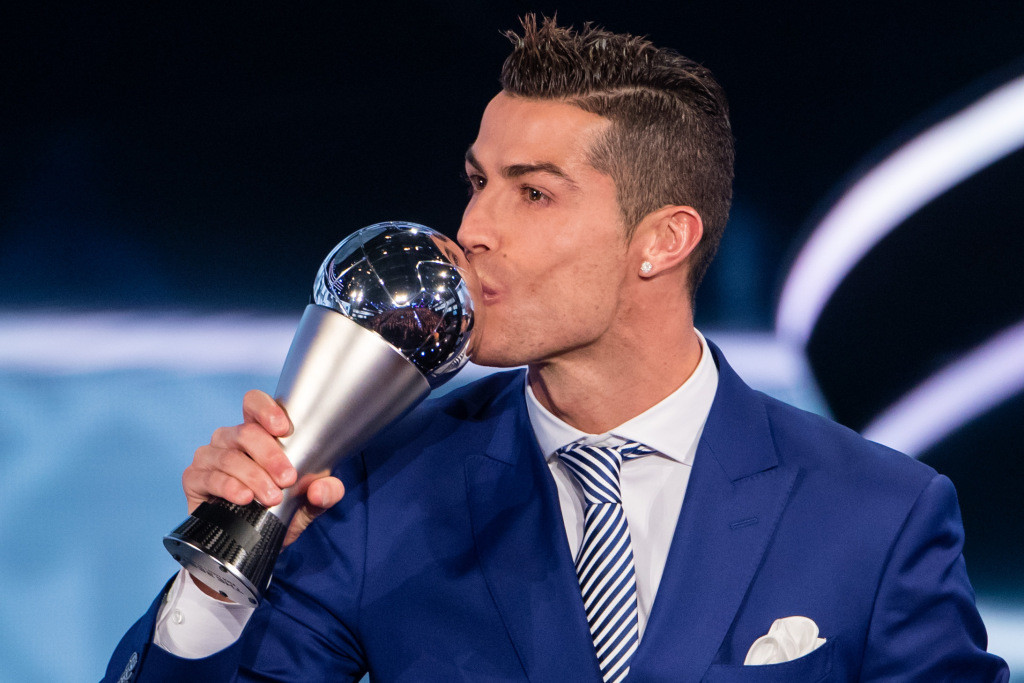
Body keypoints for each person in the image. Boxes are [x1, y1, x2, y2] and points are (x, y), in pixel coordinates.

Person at [106, 15, 1009, 682]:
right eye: (477, 182)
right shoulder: (373, 489)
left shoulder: (876, 513)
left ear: (663, 240)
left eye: (532, 193)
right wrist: (226, 573)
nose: (472, 228)